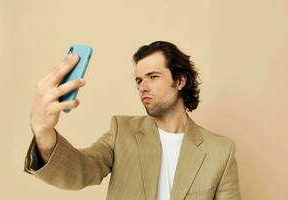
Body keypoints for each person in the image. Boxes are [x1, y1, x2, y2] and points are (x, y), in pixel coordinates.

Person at [24, 41, 241, 200]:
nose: (142, 87)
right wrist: (43, 132)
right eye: (139, 80)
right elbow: (80, 171)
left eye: (153, 77)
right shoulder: (122, 131)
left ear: (180, 81)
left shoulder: (220, 151)